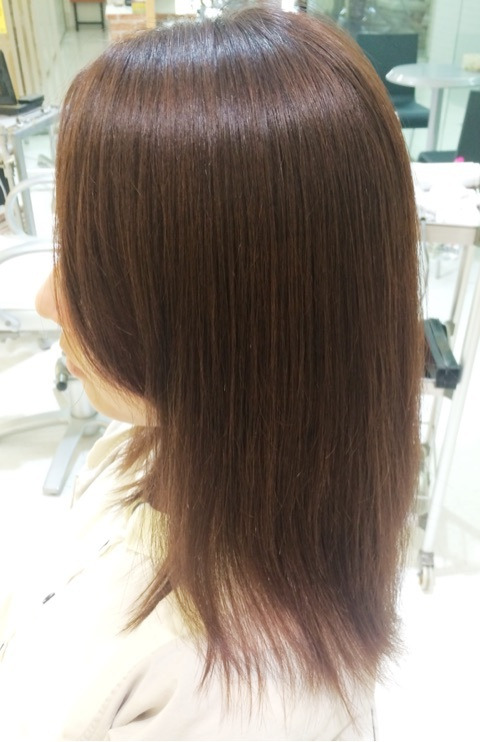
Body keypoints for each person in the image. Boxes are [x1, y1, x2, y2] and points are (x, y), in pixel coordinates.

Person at [0, 5, 422, 739]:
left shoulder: (230, 698)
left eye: (91, 262)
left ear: (215, 312)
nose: (46, 300)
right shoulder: (159, 453)